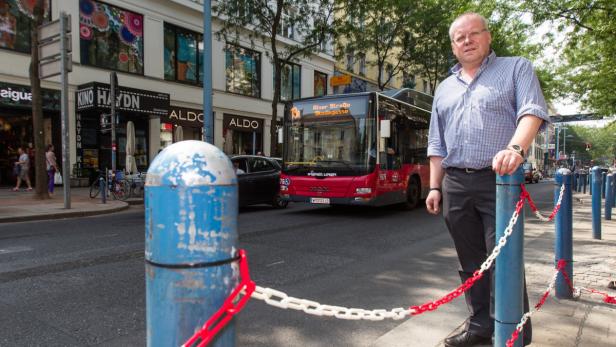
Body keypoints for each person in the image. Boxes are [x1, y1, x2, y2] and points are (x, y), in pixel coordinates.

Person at [426, 12, 549, 347]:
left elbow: (532, 111)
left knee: (503, 258)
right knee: (470, 263)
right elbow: (437, 142)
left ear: (487, 36)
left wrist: (515, 148)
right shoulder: (444, 87)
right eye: (459, 37)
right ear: (453, 46)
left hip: (499, 180)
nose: (467, 40)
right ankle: (480, 325)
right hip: (454, 183)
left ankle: (513, 330)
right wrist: (435, 186)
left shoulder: (515, 68)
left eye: (473, 34)